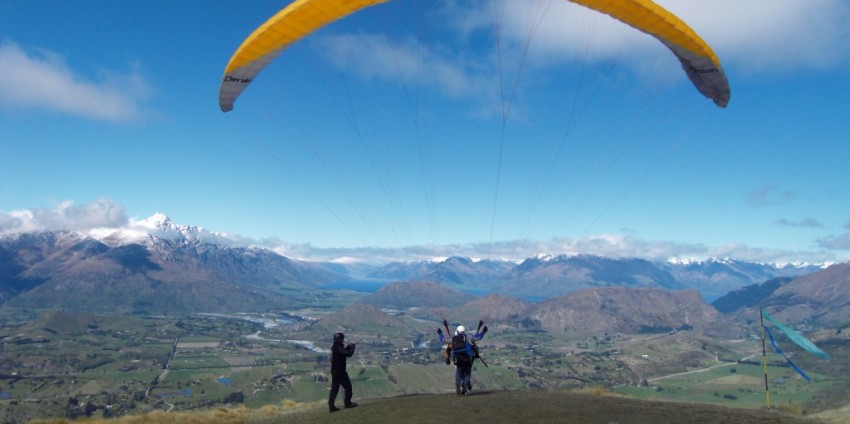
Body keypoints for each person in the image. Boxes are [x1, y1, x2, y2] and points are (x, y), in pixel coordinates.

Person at [328, 332, 357, 412]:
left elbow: (343, 352)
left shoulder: (334, 347)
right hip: (340, 371)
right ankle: (347, 403)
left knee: (334, 389)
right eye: (342, 339)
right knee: (348, 386)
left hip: (334, 371)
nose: (343, 340)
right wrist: (353, 347)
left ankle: (331, 405)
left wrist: (349, 346)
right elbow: (348, 354)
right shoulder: (338, 347)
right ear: (340, 339)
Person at [446, 325, 477, 395]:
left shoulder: (454, 339)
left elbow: (446, 345)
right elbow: (475, 344)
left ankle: (458, 384)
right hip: (467, 359)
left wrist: (440, 334)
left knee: (459, 372)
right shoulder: (468, 338)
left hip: (458, 359)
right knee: (467, 374)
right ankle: (465, 387)